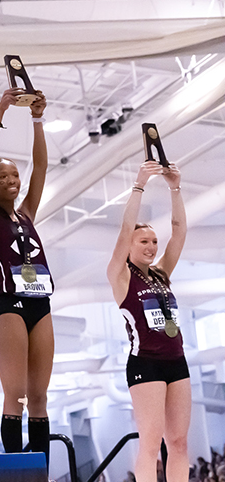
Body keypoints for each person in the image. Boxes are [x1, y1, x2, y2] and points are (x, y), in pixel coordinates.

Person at [0, 87, 53, 465]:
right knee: (16, 394)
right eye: (2, 176)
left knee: (39, 396)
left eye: (14, 174)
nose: (11, 179)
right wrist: (0, 112)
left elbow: (42, 167)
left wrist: (37, 119)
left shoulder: (28, 213)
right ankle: (15, 469)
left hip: (41, 303)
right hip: (9, 306)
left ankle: (41, 469)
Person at [107, 160, 189, 482]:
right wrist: (139, 185)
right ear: (129, 246)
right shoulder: (121, 276)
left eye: (154, 241)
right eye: (144, 242)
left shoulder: (161, 273)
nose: (152, 247)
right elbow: (125, 229)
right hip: (146, 364)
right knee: (152, 443)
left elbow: (180, 230)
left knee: (179, 443)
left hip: (176, 361)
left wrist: (175, 186)